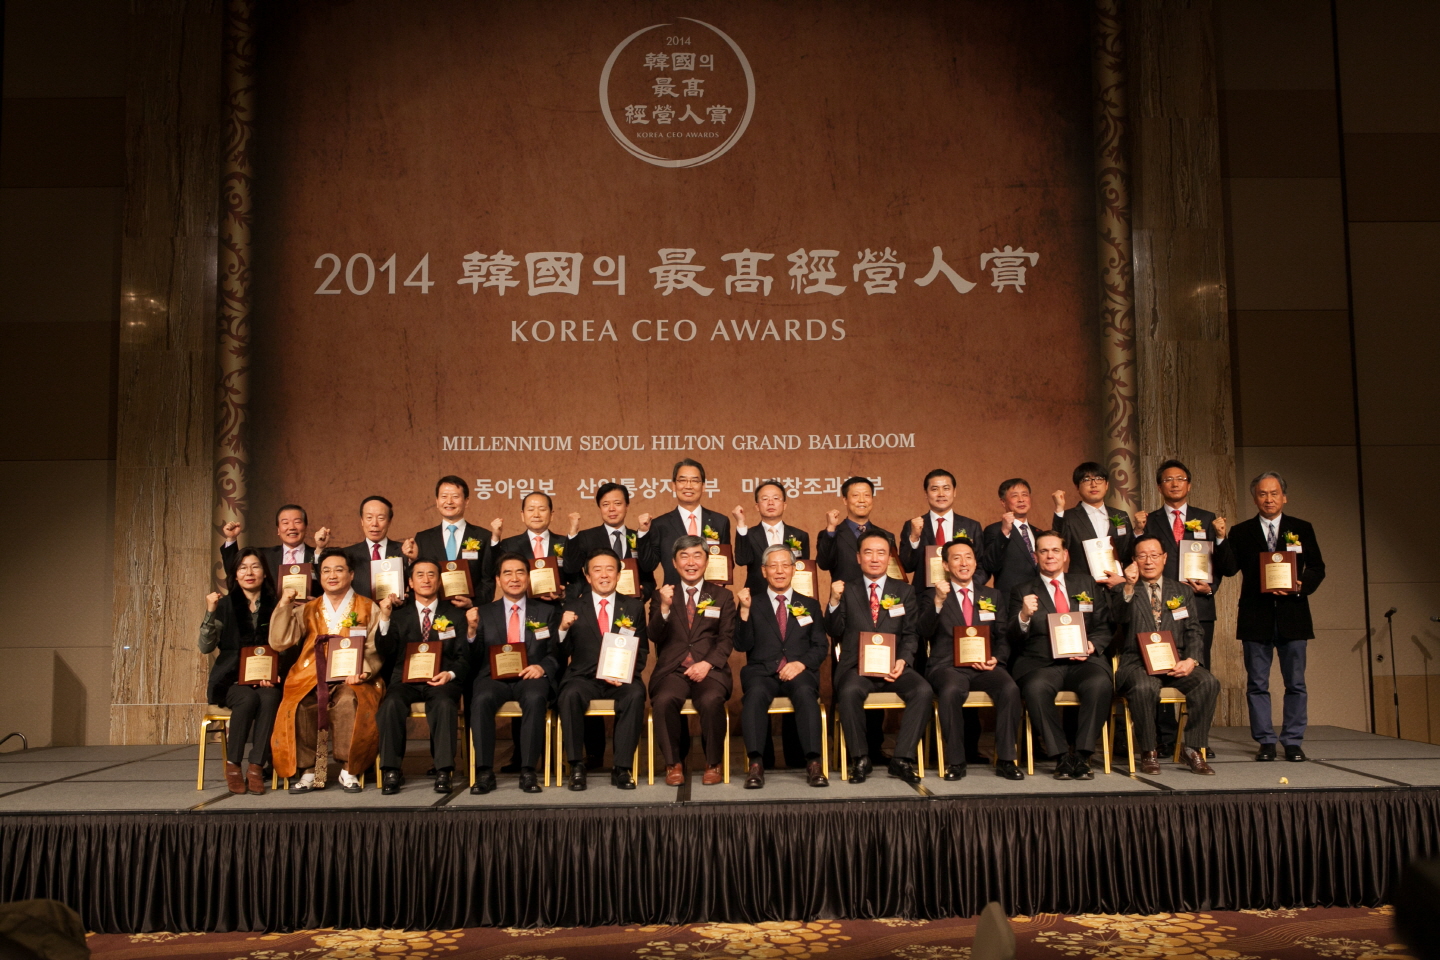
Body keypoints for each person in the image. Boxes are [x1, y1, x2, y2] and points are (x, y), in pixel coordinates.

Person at [1216, 471, 1326, 762]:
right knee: (1257, 684)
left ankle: (1292, 741)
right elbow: (1229, 569)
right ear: (1255, 498)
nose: (1268, 499)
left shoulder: (1301, 528)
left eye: (1274, 493)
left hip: (1294, 615)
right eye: (1262, 494)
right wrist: (1221, 539)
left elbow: (1317, 567)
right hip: (1256, 617)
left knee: (1296, 684)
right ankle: (1265, 741)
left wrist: (1301, 585)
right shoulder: (1242, 531)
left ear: (1284, 497)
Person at [270, 548, 385, 793]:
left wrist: (362, 672)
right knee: (301, 704)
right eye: (326, 571)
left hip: (352, 677)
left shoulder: (368, 607)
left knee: (348, 701)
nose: (332, 575)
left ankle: (348, 769)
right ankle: (309, 770)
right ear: (319, 576)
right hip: (311, 675)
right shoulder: (308, 608)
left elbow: (373, 647)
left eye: (339, 570)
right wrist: (285, 604)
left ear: (351, 574)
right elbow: (279, 641)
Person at [825, 530, 931, 785]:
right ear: (858, 557)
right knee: (849, 691)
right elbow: (834, 630)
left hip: (894, 666)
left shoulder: (904, 591)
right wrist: (833, 601)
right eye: (868, 552)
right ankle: (860, 758)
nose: (875, 558)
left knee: (923, 690)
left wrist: (903, 661)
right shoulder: (846, 590)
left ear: (889, 558)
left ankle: (902, 759)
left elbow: (911, 633)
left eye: (881, 553)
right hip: (856, 667)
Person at [1008, 531, 1113, 781]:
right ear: (1036, 556)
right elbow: (1011, 636)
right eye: (1043, 551)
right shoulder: (1022, 591)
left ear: (1065, 555)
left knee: (1100, 684)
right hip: (1042, 664)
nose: (1050, 556)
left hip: (1084, 661)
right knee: (1035, 689)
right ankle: (1061, 756)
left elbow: (1104, 625)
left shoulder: (1086, 584)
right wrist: (1023, 616)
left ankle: (1082, 755)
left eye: (1055, 550)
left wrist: (1092, 644)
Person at [916, 539, 1024, 780]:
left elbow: (1003, 636)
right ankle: (956, 761)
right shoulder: (931, 595)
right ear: (946, 565)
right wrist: (938, 602)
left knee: (1009, 688)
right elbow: (923, 631)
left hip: (985, 665)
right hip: (947, 666)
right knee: (951, 691)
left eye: (968, 557)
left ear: (976, 563)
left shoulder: (993, 595)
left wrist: (996, 658)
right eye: (956, 558)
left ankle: (1006, 759)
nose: (963, 563)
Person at [1110, 537, 1219, 774]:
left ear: (1165, 558)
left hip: (1174, 661)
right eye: (1142, 556)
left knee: (1208, 682)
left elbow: (1193, 630)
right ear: (1134, 560)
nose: (1149, 561)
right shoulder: (1123, 589)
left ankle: (1192, 748)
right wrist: (1128, 586)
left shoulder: (1181, 590)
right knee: (1144, 688)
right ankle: (1149, 751)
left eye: (1154, 555)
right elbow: (1118, 618)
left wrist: (1191, 660)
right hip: (1137, 662)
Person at [734, 545, 830, 788]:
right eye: (773, 566)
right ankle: (756, 764)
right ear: (763, 571)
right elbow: (741, 644)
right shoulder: (752, 603)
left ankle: (813, 763)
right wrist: (743, 610)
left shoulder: (810, 604)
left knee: (806, 693)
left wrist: (801, 663)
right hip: (761, 671)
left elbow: (820, 646)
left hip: (798, 670)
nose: (779, 571)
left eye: (785, 565)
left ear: (794, 569)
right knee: (755, 695)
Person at [374, 559, 470, 795]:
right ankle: (391, 770)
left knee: (444, 704)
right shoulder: (398, 615)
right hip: (405, 680)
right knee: (391, 704)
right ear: (410, 582)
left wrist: (450, 674)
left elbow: (464, 656)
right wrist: (384, 618)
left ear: (439, 580)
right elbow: (385, 651)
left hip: (441, 679)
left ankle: (443, 770)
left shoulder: (456, 615)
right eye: (420, 575)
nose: (426, 580)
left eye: (431, 575)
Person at [647, 535, 736, 785]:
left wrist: (707, 663)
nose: (691, 562)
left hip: (710, 668)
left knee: (711, 700)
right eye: (684, 556)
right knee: (664, 701)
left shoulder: (723, 596)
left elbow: (726, 638)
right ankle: (673, 763)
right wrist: (664, 608)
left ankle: (713, 763)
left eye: (697, 556)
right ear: (674, 563)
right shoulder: (662, 595)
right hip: (673, 669)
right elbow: (654, 635)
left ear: (706, 561)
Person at [556, 549, 649, 790]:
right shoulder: (572, 606)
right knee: (570, 694)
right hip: (583, 677)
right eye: (597, 570)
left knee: (635, 694)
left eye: (610, 569)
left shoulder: (634, 607)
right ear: (588, 576)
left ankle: (622, 768)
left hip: (620, 678)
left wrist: (624, 674)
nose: (604, 575)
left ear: (619, 574)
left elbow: (641, 651)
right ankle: (576, 766)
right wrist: (562, 629)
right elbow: (560, 652)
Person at [468, 553, 560, 794]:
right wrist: (471, 632)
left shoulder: (546, 612)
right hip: (493, 677)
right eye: (507, 573)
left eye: (520, 572)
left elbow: (557, 652)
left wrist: (542, 667)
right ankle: (484, 772)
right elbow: (473, 657)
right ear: (498, 580)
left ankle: (528, 770)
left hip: (530, 675)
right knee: (481, 699)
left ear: (529, 578)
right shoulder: (483, 613)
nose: (514, 578)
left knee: (535, 697)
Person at [198, 547, 284, 794]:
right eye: (243, 568)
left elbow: (286, 644)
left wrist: (275, 673)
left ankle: (256, 766)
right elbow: (205, 646)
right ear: (235, 575)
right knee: (246, 699)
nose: (249, 573)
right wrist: (210, 611)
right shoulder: (224, 605)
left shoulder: (277, 605)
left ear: (264, 573)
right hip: (230, 680)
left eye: (255, 567)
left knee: (270, 697)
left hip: (266, 677)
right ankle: (234, 765)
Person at [561, 482, 660, 602]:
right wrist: (573, 532)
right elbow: (571, 568)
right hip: (595, 606)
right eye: (605, 504)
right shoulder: (586, 537)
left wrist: (643, 593)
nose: (612, 509)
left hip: (631, 606)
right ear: (600, 507)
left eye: (617, 503)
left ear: (626, 506)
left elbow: (648, 576)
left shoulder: (639, 537)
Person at [404, 475, 492, 608]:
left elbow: (488, 579)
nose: (449, 501)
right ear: (437, 501)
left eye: (455, 497)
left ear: (466, 501)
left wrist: (473, 603)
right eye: (444, 496)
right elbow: (414, 579)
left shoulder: (483, 536)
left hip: (469, 612)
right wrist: (413, 559)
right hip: (433, 611)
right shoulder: (423, 538)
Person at [642, 459, 732, 588]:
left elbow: (727, 562)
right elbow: (648, 565)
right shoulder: (660, 524)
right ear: (674, 485)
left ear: (703, 486)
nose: (688, 486)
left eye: (695, 481)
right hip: (673, 595)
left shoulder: (720, 521)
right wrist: (643, 533)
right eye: (682, 480)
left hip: (710, 595)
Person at [899, 469, 987, 595]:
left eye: (946, 488)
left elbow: (982, 565)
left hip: (963, 595)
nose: (941, 494)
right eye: (934, 489)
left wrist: (966, 585)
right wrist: (914, 538)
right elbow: (907, 566)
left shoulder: (971, 526)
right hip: (924, 597)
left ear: (954, 492)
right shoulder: (912, 525)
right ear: (926, 493)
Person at [1052, 462, 1133, 585]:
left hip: (1117, 585)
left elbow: (1129, 551)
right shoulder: (1068, 517)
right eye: (1086, 480)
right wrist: (1059, 509)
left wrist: (1125, 581)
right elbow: (1057, 545)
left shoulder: (1121, 515)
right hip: (1082, 585)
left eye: (1099, 479)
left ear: (1107, 485)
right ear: (1077, 487)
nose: (1093, 484)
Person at [220, 504, 329, 595]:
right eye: (285, 523)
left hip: (309, 611)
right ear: (278, 530)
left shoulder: (318, 555)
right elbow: (234, 570)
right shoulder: (264, 555)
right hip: (272, 613)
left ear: (305, 527)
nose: (292, 527)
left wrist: (320, 549)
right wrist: (231, 538)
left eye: (297, 522)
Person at [488, 490, 578, 592]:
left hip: (557, 602)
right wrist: (495, 537)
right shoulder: (509, 545)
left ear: (551, 515)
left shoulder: (565, 543)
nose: (536, 515)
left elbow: (577, 580)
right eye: (530, 510)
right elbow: (492, 571)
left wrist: (564, 594)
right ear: (522, 515)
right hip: (522, 601)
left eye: (542, 509)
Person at [732, 479, 810, 595]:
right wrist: (741, 523)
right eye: (765, 499)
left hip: (790, 598)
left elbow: (803, 569)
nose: (770, 503)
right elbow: (742, 560)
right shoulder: (749, 534)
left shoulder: (799, 535)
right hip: (756, 598)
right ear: (757, 506)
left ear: (784, 505)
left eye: (776, 498)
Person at [816, 476, 895, 586]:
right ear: (845, 500)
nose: (862, 500)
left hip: (878, 595)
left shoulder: (886, 536)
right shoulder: (832, 534)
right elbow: (824, 564)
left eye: (867, 495)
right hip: (844, 595)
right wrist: (831, 528)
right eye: (855, 495)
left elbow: (893, 573)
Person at [983, 478, 1043, 601]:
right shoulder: (995, 530)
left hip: (1040, 599)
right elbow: (990, 565)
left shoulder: (1038, 533)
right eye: (1015, 496)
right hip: (1011, 600)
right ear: (1003, 502)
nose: (1021, 499)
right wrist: (1005, 532)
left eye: (1025, 495)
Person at [343, 495, 408, 599]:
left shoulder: (404, 551)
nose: (374, 524)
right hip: (360, 609)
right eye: (369, 518)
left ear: (389, 521)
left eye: (381, 518)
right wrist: (320, 550)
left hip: (396, 608)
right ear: (362, 521)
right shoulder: (347, 554)